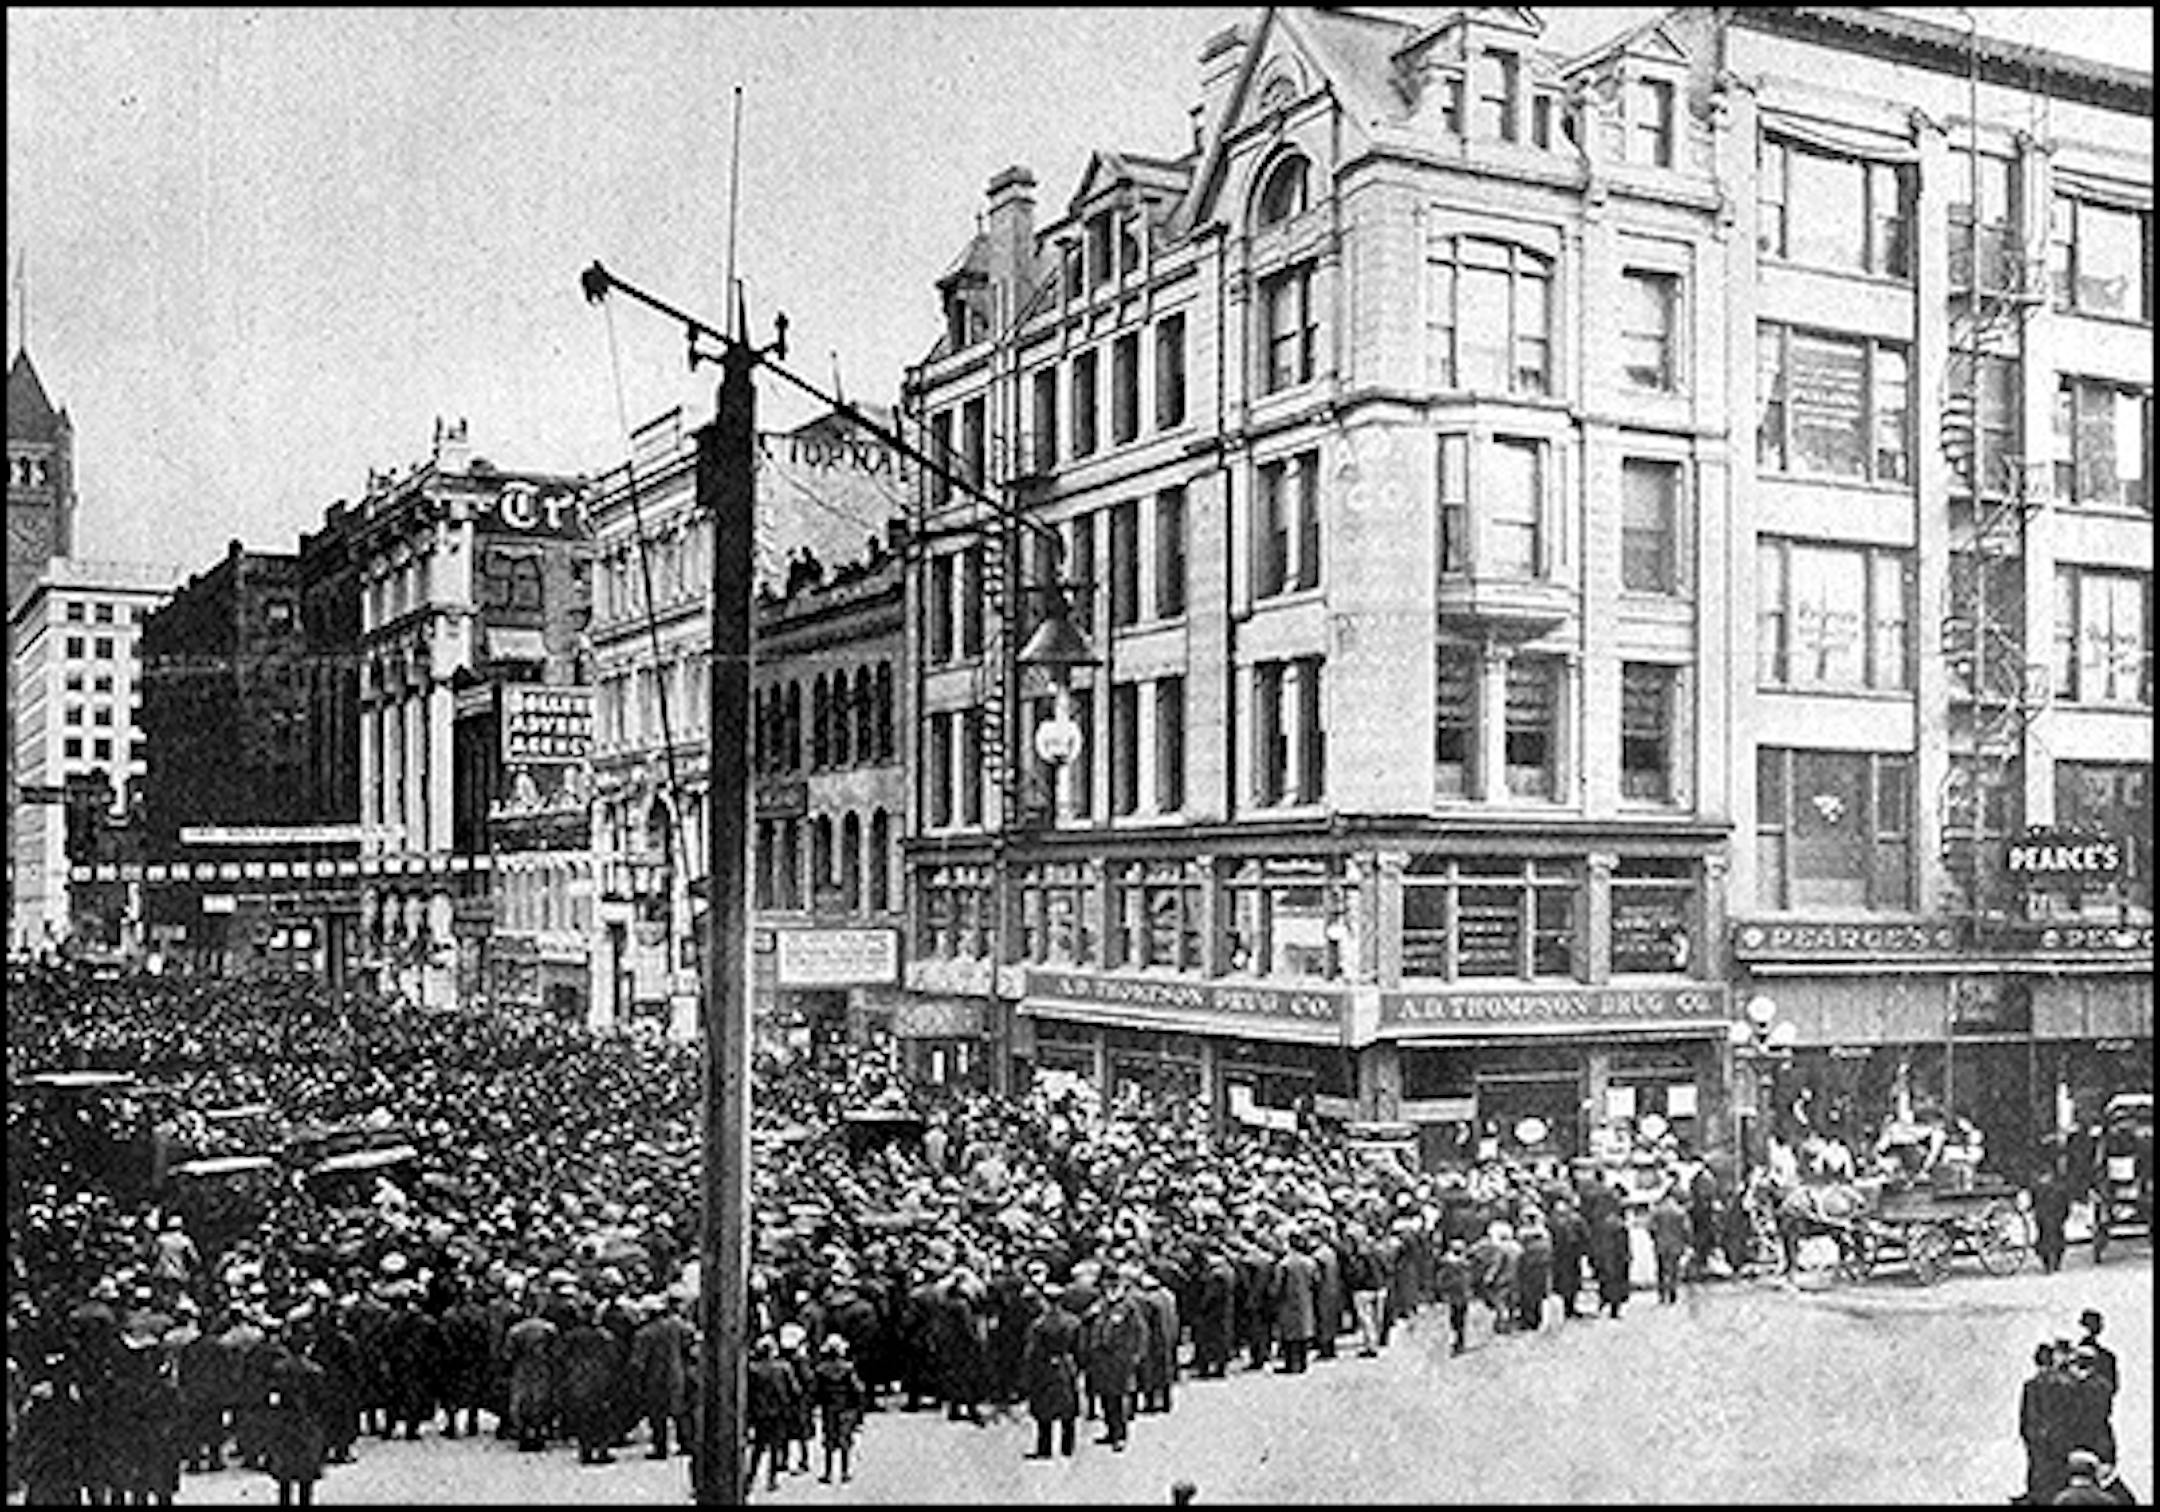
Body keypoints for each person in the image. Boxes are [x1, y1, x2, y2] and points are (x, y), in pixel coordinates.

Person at [262, 1318, 329, 1509]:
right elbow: (321, 1402)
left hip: (284, 1423)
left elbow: (271, 1398)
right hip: (307, 1424)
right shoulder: (315, 1371)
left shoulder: (279, 1369)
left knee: (285, 1472)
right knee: (306, 1473)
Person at [1083, 1269, 1147, 1450]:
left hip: (1120, 1360)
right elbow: (1086, 1322)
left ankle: (1120, 1435)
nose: (1109, 1289)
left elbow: (1140, 1332)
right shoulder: (1101, 1305)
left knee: (1118, 1399)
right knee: (1105, 1398)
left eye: (1113, 1285)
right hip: (1102, 1360)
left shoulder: (1128, 1307)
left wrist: (1137, 1355)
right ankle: (1110, 1430)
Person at [626, 1293, 693, 1460]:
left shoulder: (643, 1334)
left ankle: (660, 1447)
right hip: (676, 1373)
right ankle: (686, 1443)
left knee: (657, 1415)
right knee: (679, 1410)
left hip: (653, 1378)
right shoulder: (676, 1325)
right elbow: (690, 1340)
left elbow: (637, 1362)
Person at [1022, 1284, 1083, 1460]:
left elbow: (1032, 1351)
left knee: (1044, 1409)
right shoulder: (1073, 1322)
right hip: (1066, 1364)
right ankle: (1067, 1447)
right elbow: (1080, 1348)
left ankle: (1044, 1447)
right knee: (1068, 1407)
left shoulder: (1038, 1324)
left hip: (1045, 1367)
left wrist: (1030, 1372)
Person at [745, 1334, 802, 1494]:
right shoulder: (784, 1367)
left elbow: (748, 1391)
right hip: (779, 1411)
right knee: (776, 1446)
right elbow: (795, 1389)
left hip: (759, 1411)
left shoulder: (753, 1368)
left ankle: (749, 1478)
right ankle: (772, 1479)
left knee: (758, 1446)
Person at [809, 1334, 867, 1485]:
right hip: (845, 1407)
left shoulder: (821, 1370)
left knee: (829, 1440)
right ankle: (845, 1471)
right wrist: (859, 1409)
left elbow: (814, 1391)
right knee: (845, 1440)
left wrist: (814, 1406)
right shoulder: (848, 1369)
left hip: (828, 1407)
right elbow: (857, 1389)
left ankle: (828, 1472)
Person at [2022, 1340, 2073, 1505]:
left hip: (2039, 1443)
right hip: (2060, 1441)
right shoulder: (2066, 1384)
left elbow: (2026, 1418)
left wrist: (2034, 1437)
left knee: (2039, 1478)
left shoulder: (2031, 1385)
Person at [1271, 1233, 1320, 1375]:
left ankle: (1291, 1364)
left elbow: (1277, 1286)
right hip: (1305, 1300)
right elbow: (1316, 1280)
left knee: (1289, 1335)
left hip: (1287, 1302)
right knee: (1303, 1333)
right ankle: (1303, 1363)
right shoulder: (1309, 1262)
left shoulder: (1284, 1264)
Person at [1650, 1189, 1691, 1305]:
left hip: (1661, 1243)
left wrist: (1654, 1238)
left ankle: (1662, 1294)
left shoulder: (1657, 1211)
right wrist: (1686, 1241)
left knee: (1661, 1269)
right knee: (1674, 1269)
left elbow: (1651, 1227)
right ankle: (1673, 1293)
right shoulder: (1679, 1212)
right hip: (1676, 1244)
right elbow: (1686, 1229)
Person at [1435, 1236, 1474, 1356]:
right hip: (1462, 1293)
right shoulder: (1466, 1263)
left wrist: (1441, 1291)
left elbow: (1441, 1279)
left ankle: (1455, 1340)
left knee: (1454, 1318)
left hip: (1453, 1294)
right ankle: (1459, 1341)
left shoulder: (1446, 1262)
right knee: (1461, 1318)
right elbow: (1470, 1278)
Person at [2031, 1167, 2073, 1274]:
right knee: (2053, 1235)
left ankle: (2050, 1262)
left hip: (2049, 1214)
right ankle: (2053, 1262)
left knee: (2049, 1235)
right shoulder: (2058, 1188)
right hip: (2050, 1215)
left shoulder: (2043, 1188)